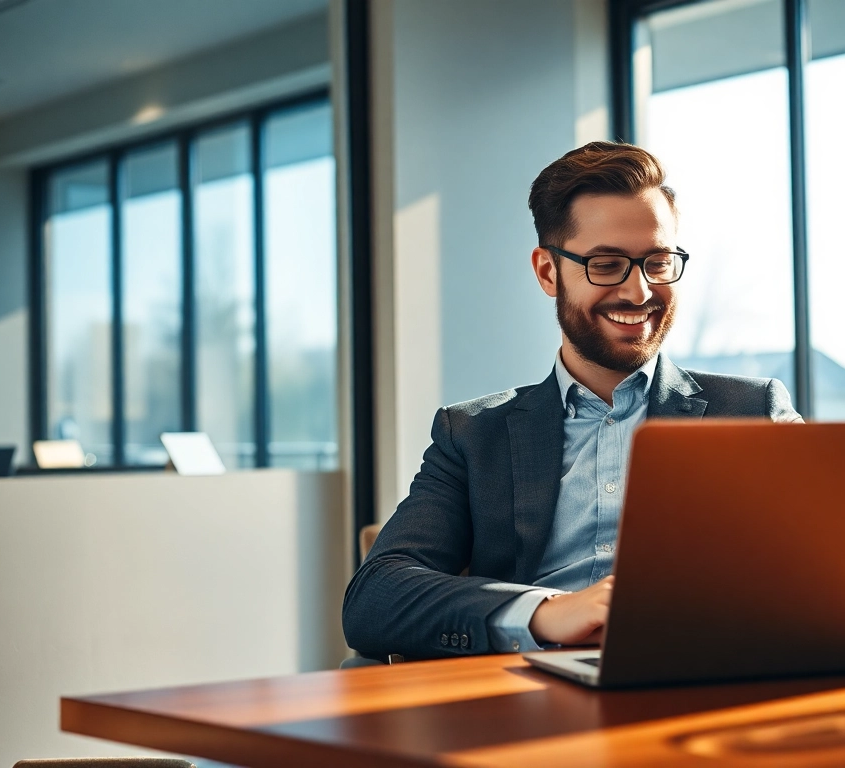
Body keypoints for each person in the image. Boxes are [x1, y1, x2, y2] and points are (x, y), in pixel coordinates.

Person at [342, 141, 801, 661]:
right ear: (547, 272)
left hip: (702, 677)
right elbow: (374, 596)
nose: (639, 292)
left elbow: (840, 568)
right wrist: (544, 613)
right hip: (526, 691)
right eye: (606, 265)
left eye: (657, 261)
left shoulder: (750, 412)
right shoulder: (472, 435)